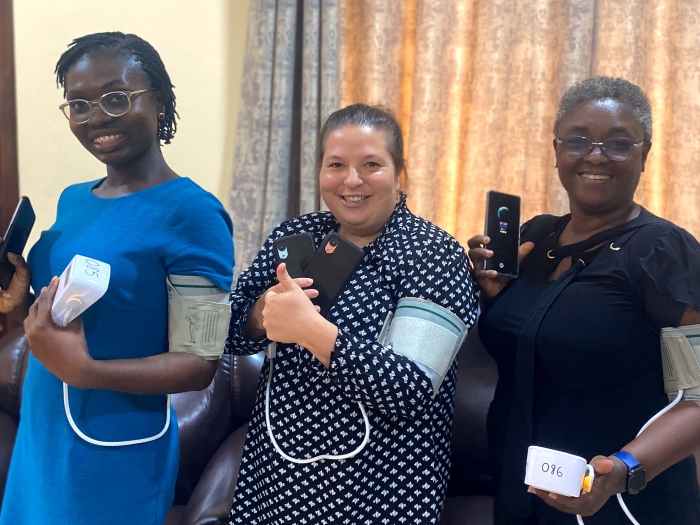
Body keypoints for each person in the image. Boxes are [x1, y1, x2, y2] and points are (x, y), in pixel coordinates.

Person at [0, 32, 234, 525]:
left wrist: (86, 372)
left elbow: (199, 363)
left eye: (115, 97)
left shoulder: (194, 214)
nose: (97, 118)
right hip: (42, 433)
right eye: (79, 105)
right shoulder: (74, 199)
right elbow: (67, 316)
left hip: (113, 448)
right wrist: (19, 301)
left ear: (160, 100)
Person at [225, 103, 478, 524]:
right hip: (275, 485)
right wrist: (261, 313)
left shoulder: (433, 255)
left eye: (371, 164)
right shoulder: (294, 237)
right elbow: (228, 334)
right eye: (336, 164)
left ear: (400, 173)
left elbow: (410, 389)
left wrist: (311, 331)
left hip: (382, 492)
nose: (352, 180)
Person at [468, 76, 700, 524]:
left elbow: (696, 398)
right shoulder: (532, 240)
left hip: (621, 497)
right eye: (578, 140)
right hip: (521, 487)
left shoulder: (664, 252)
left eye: (618, 143)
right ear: (556, 152)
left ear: (644, 155)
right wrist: (485, 293)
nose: (595, 155)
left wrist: (623, 470)